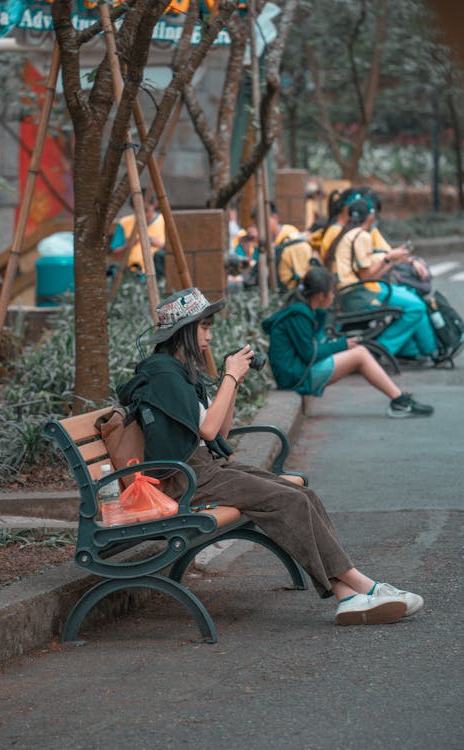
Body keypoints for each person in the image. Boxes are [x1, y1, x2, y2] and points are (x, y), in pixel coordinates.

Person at [116, 286, 424, 625]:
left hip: (204, 470)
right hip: (186, 479)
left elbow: (219, 431)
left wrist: (232, 382)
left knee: (300, 494)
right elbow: (205, 434)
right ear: (184, 330)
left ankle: (349, 594)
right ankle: (363, 587)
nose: (209, 334)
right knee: (288, 501)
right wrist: (230, 376)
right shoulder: (162, 372)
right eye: (204, 326)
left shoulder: (180, 371)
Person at [262, 267, 434, 418]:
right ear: (321, 295)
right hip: (295, 377)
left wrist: (322, 315)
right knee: (359, 354)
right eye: (332, 292)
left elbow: (316, 342)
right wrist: (341, 345)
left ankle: (399, 399)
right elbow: (310, 354)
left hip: (297, 370)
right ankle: (400, 401)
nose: (333, 296)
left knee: (359, 352)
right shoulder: (298, 315)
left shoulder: (305, 310)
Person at [324, 198, 439, 361]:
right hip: (359, 295)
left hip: (360, 291)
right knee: (416, 307)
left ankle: (416, 349)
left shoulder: (351, 234)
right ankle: (382, 349)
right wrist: (387, 259)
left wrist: (391, 261)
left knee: (412, 299)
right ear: (370, 216)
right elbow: (365, 276)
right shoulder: (361, 236)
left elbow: (369, 274)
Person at [110, 193, 166, 278]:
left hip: (159, 273)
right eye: (139, 211)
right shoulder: (124, 223)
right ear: (133, 208)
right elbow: (115, 253)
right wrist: (127, 245)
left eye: (146, 210)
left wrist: (160, 245)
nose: (143, 214)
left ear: (154, 204)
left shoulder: (165, 221)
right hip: (130, 274)